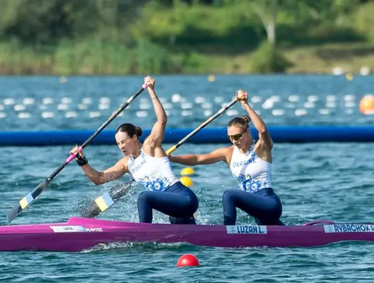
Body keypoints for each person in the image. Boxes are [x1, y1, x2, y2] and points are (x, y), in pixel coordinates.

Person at [70, 76, 198, 225]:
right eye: (118, 143)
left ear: (135, 137)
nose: (121, 146)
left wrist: (151, 90)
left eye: (124, 141)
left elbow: (162, 120)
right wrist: (82, 161)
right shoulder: (126, 164)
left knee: (144, 197)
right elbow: (99, 179)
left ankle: (143, 233)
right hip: (173, 210)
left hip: (184, 198)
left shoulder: (150, 147)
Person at [169, 89, 284, 226]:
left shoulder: (261, 148)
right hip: (256, 210)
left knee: (229, 195)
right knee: (280, 233)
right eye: (230, 137)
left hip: (269, 203)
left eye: (237, 136)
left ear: (247, 131)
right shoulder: (228, 153)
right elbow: (198, 159)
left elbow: (263, 130)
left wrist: (245, 104)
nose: (234, 140)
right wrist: (172, 158)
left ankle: (228, 229)